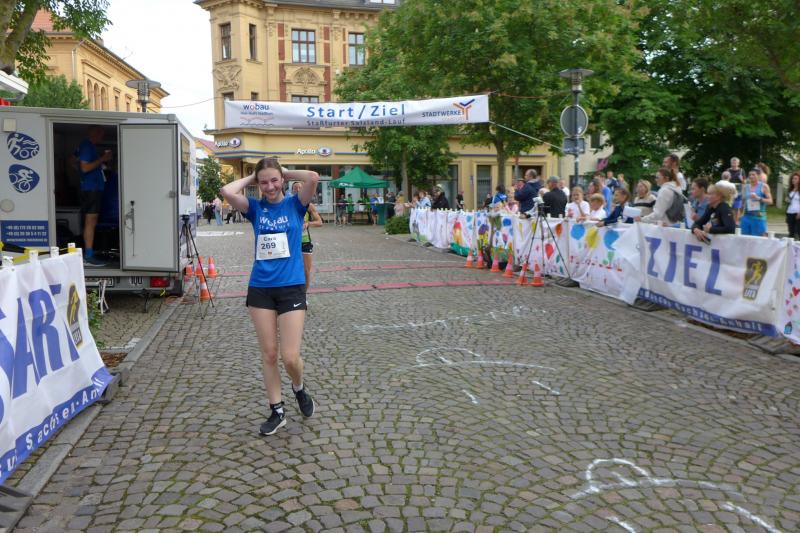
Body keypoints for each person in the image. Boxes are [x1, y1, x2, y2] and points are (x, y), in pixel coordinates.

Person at [219, 157, 319, 436]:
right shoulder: (254, 208)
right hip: (261, 287)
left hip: (291, 286)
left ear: (283, 180)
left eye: (274, 181)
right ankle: (277, 410)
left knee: (290, 357)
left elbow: (312, 177)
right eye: (264, 183)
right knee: (270, 354)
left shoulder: (296, 204)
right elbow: (227, 191)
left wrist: (283, 172)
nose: (270, 186)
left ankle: (298, 387)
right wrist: (254, 177)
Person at [78, 125, 112, 266]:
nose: (101, 137)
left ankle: (89, 253)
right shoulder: (87, 146)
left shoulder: (88, 146)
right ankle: (88, 255)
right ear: (94, 133)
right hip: (91, 189)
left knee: (91, 221)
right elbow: (84, 167)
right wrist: (102, 159)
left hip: (92, 188)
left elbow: (72, 160)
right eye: (100, 134)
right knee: (90, 221)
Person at [292, 181, 323, 294]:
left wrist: (308, 223)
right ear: (292, 191)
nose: (298, 190)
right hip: (291, 242)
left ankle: (303, 295)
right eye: (295, 188)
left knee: (306, 271)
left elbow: (320, 222)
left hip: (305, 241)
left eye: (300, 187)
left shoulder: (309, 206)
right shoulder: (288, 205)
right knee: (291, 270)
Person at [740, 168, 773, 236]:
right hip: (746, 216)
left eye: (753, 175)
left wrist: (758, 198)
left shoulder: (764, 186)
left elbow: (770, 201)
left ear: (758, 176)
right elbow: (742, 202)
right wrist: (740, 214)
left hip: (758, 217)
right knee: (745, 238)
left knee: (759, 239)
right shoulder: (745, 187)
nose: (751, 176)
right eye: (749, 175)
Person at [786, 172, 800, 239]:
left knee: (797, 232)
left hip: (797, 213)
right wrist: (787, 200)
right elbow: (789, 200)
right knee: (791, 232)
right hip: (790, 212)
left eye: (795, 178)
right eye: (792, 178)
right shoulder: (790, 190)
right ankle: (791, 244)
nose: (793, 180)